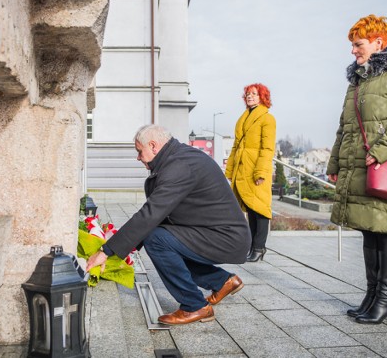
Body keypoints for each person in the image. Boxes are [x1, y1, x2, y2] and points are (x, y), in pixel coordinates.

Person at [86, 124, 251, 325]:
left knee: (157, 240)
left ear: (153, 146)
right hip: (213, 231)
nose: (138, 157)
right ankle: (222, 281)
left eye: (139, 151)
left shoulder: (179, 166)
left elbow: (151, 214)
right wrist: (120, 247)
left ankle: (195, 306)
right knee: (162, 238)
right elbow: (157, 216)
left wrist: (107, 250)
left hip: (225, 237)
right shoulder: (176, 159)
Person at [326, 15, 387, 324]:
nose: (353, 51)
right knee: (370, 229)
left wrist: (383, 150)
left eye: (358, 44)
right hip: (360, 165)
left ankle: (385, 299)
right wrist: (334, 164)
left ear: (379, 42)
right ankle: (372, 297)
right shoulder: (359, 80)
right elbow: (345, 127)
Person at [225, 84, 276, 262]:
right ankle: (253, 247)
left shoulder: (267, 119)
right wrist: (229, 170)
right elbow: (236, 146)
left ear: (262, 97)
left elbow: (268, 148)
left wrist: (260, 171)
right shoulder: (243, 118)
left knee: (260, 208)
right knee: (250, 209)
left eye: (254, 94)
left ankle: (259, 247)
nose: (250, 96)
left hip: (256, 169)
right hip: (243, 168)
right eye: (248, 94)